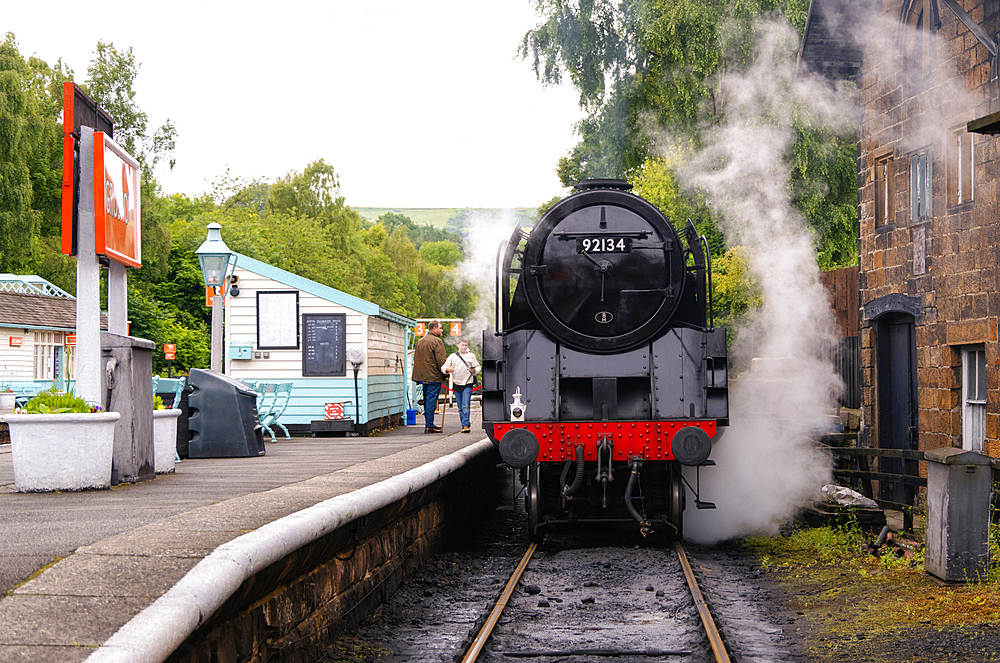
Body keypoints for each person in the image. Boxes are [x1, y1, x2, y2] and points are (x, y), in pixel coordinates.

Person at [411, 320, 448, 433]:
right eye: (440, 328)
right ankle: (429, 426)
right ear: (434, 329)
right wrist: (446, 372)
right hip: (433, 376)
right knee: (431, 401)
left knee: (427, 400)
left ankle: (429, 424)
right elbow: (441, 360)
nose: (441, 330)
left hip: (422, 376)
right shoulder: (437, 341)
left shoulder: (421, 341)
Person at [442, 337, 481, 433]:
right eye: (462, 345)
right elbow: (444, 366)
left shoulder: (471, 356)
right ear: (458, 345)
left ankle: (465, 425)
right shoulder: (452, 356)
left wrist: (474, 371)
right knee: (460, 406)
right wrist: (447, 370)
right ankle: (463, 423)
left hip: (468, 383)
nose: (464, 347)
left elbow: (478, 367)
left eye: (466, 345)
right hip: (456, 383)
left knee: (466, 404)